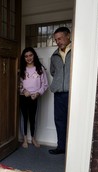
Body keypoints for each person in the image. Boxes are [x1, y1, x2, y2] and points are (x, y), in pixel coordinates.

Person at [48, 27, 72, 155]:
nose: (58, 42)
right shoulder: (54, 55)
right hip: (59, 93)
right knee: (59, 120)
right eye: (56, 39)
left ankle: (73, 148)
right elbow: (53, 72)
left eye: (60, 38)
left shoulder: (76, 51)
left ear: (68, 36)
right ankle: (61, 147)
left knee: (73, 120)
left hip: (73, 93)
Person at [19, 47, 48, 148]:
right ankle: (25, 139)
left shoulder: (40, 69)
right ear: (24, 58)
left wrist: (38, 93)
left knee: (33, 118)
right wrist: (23, 91)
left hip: (34, 97)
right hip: (24, 97)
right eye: (26, 56)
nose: (28, 58)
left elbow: (45, 85)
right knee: (24, 118)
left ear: (34, 55)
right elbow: (18, 84)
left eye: (30, 55)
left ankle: (33, 138)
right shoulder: (21, 69)